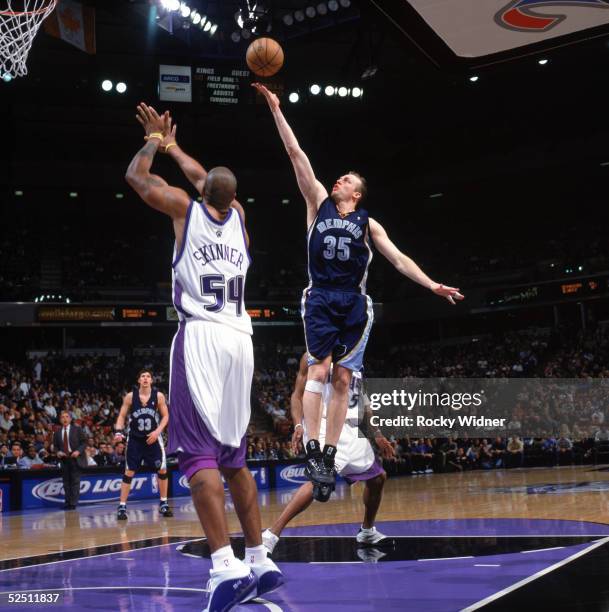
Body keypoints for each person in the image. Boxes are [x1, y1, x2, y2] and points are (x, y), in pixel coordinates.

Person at [253, 82, 464, 496]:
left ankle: (328, 458)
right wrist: (277, 110)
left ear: (357, 192)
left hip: (354, 303)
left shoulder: (368, 223)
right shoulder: (316, 202)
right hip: (319, 297)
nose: (338, 179)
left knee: (343, 381)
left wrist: (432, 285)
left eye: (346, 179)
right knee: (317, 370)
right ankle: (314, 450)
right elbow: (296, 155)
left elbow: (399, 259)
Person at [125, 103, 281, 610]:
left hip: (202, 339)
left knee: (196, 456)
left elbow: (135, 176)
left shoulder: (183, 210)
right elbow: (207, 179)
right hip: (242, 340)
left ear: (200, 194)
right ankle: (259, 557)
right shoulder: (240, 218)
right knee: (234, 458)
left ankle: (223, 567)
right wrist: (178, 149)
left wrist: (154, 141)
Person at [263, 354, 394, 554]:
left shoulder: (356, 356)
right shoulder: (313, 354)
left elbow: (364, 402)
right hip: (323, 425)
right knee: (320, 480)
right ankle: (271, 535)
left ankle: (367, 531)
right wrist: (298, 424)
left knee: (378, 478)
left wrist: (377, 434)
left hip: (350, 427)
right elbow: (297, 396)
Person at [113, 369, 172, 520]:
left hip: (153, 438)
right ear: (139, 380)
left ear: (152, 380)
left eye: (148, 376)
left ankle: (164, 503)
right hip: (135, 439)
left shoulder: (158, 396)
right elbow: (121, 415)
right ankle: (122, 506)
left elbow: (166, 416)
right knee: (129, 472)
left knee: (162, 469)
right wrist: (118, 431)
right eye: (143, 376)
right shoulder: (130, 396)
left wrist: (157, 432)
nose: (145, 378)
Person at [52, 410, 86, 509]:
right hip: (64, 459)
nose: (65, 419)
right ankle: (67, 502)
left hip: (75, 458)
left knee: (75, 482)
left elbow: (84, 442)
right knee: (66, 482)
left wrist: (78, 451)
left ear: (70, 419)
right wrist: (57, 452)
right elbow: (55, 446)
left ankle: (73, 503)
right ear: (60, 420)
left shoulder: (77, 429)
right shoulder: (57, 432)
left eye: (67, 417)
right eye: (62, 417)